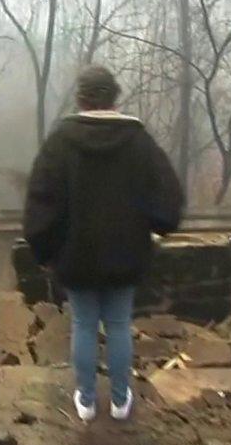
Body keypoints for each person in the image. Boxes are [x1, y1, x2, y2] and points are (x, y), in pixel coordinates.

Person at [23, 65, 184, 422]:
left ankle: (85, 400)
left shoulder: (60, 141)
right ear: (114, 97)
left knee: (82, 324)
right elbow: (167, 194)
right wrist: (158, 229)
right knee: (118, 324)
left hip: (75, 256)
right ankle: (120, 400)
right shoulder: (138, 140)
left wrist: (44, 249)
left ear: (80, 97)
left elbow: (41, 199)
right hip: (126, 255)